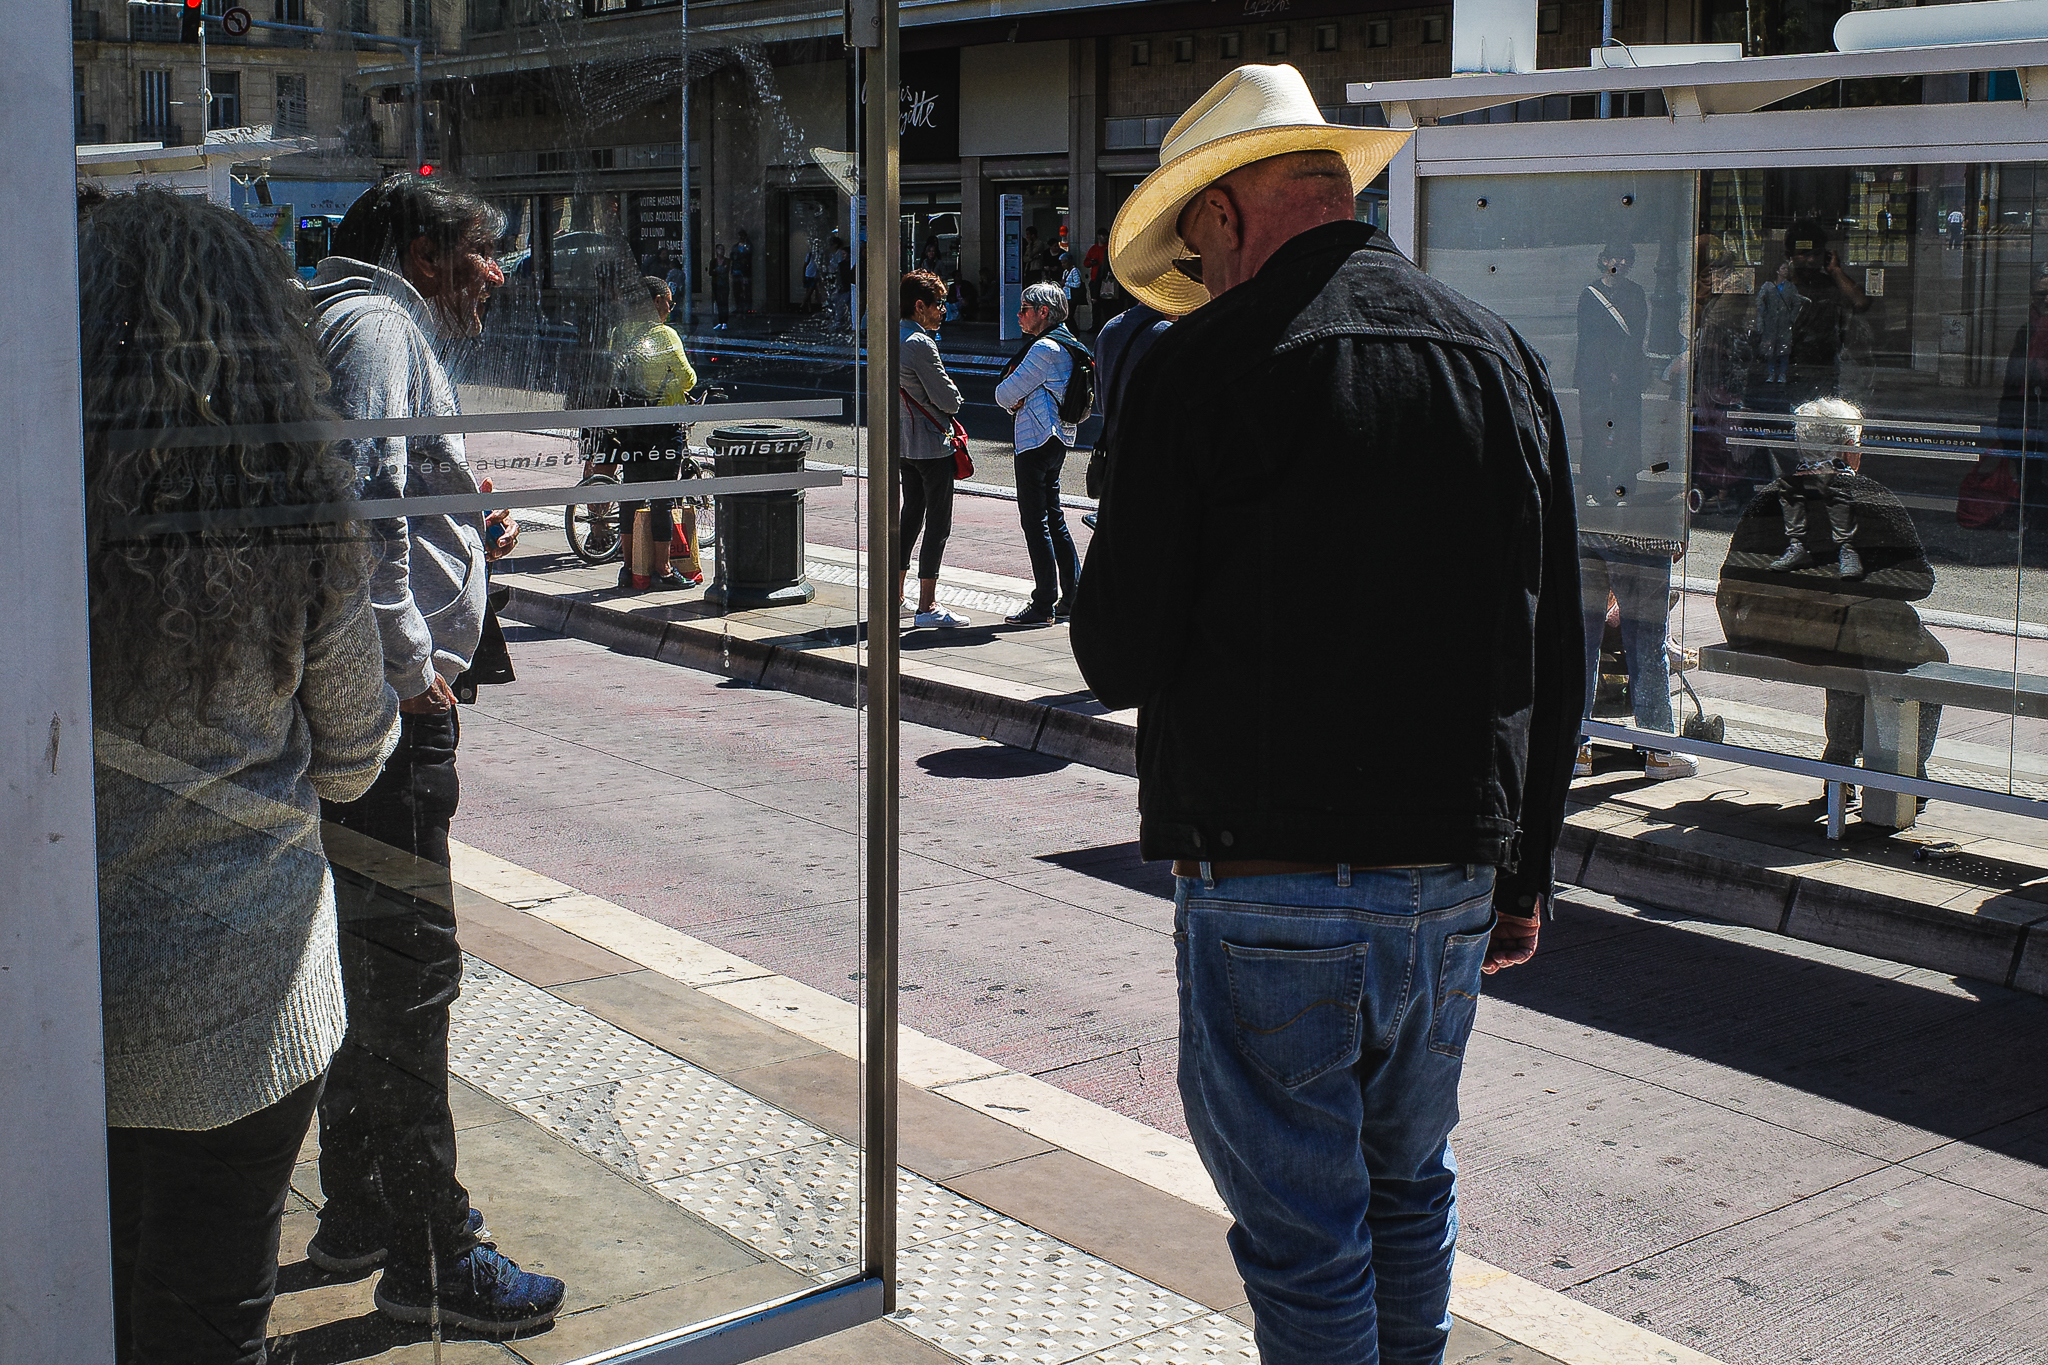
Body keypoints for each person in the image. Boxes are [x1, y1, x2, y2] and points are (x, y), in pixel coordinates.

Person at [1070, 64, 1580, 1365]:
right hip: (1453, 887)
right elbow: (1552, 647)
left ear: (1231, 213)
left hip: (1271, 882)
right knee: (1411, 1193)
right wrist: (1521, 874)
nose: (1200, 274)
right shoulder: (1499, 357)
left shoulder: (1200, 371)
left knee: (1306, 1243)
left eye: (1197, 248)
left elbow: (1116, 651)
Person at [82, 187, 401, 1365]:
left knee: (87, 1294)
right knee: (212, 1314)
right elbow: (360, 757)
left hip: (68, 997)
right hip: (246, 999)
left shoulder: (35, 511)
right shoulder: (301, 519)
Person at [305, 173, 565, 1335]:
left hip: (360, 711)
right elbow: (362, 510)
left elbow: (394, 488)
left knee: (377, 965)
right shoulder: (377, 325)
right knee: (412, 976)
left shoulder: (351, 317)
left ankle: (359, 1210)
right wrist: (417, 679)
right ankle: (428, 1254)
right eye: (482, 248)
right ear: (419, 249)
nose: (497, 272)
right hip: (388, 719)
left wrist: (463, 508)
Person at [1716, 398, 1944, 814]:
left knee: (1841, 639)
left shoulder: (1772, 495)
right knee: (1923, 658)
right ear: (1849, 450)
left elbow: (1737, 572)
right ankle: (1908, 772)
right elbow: (1920, 582)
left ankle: (1839, 762)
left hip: (1776, 631)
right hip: (1840, 636)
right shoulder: (1868, 494)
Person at [994, 280, 1088, 624]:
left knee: (1036, 523)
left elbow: (1004, 394)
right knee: (1054, 517)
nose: (1019, 316)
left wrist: (1010, 400)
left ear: (1042, 312)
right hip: (1059, 438)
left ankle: (1043, 602)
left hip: (1035, 439)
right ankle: (1073, 596)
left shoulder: (1044, 349)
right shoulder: (1069, 343)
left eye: (1024, 310)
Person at [1576, 532, 1696, 782]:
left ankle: (1576, 747)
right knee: (1647, 646)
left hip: (1587, 531)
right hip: (1641, 535)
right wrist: (1677, 530)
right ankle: (1659, 749)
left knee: (1580, 643)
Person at [609, 274, 702, 591]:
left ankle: (629, 569)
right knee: (662, 497)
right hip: (663, 426)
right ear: (656, 301)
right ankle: (662, 570)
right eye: (668, 300)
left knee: (630, 496)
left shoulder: (621, 333)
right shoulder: (666, 336)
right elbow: (689, 379)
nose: (671, 306)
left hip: (632, 426)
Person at [897, 269, 971, 629]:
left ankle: (894, 596)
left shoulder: (889, 335)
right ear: (919, 306)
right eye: (938, 304)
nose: (943, 310)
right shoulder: (920, 343)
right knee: (938, 523)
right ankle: (927, 606)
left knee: (910, 515)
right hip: (930, 443)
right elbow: (948, 399)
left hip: (902, 443)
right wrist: (954, 397)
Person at [1081, 299, 1174, 528]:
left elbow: (1101, 403)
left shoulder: (1110, 329)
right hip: (1155, 460)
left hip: (1115, 452)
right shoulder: (1169, 335)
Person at [1574, 240, 1647, 508]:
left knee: (1627, 432)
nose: (1623, 263)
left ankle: (1623, 487)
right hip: (1594, 375)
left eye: (1627, 259)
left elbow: (1636, 337)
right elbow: (1588, 339)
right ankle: (1593, 488)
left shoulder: (1636, 293)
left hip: (1627, 374)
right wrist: (1605, 371)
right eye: (1617, 258)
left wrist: (1622, 369)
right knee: (1593, 431)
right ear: (1605, 260)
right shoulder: (1590, 294)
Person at [828, 233, 853, 331]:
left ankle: (842, 323)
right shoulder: (841, 264)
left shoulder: (846, 264)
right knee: (839, 305)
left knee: (843, 305)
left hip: (846, 287)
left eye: (844, 254)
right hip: (842, 286)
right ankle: (840, 323)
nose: (843, 256)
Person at [730, 228, 754, 316]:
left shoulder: (748, 246)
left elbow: (747, 259)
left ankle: (747, 308)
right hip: (736, 271)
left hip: (745, 271)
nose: (741, 237)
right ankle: (739, 307)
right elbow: (732, 258)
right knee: (737, 291)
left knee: (746, 290)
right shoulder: (735, 247)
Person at [710, 242, 731, 329]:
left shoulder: (727, 260)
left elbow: (726, 270)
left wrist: (717, 270)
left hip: (724, 284)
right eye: (719, 249)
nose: (721, 251)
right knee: (718, 303)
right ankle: (720, 321)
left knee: (724, 303)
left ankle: (725, 321)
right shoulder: (713, 261)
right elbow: (711, 272)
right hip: (716, 284)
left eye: (722, 249)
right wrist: (719, 269)